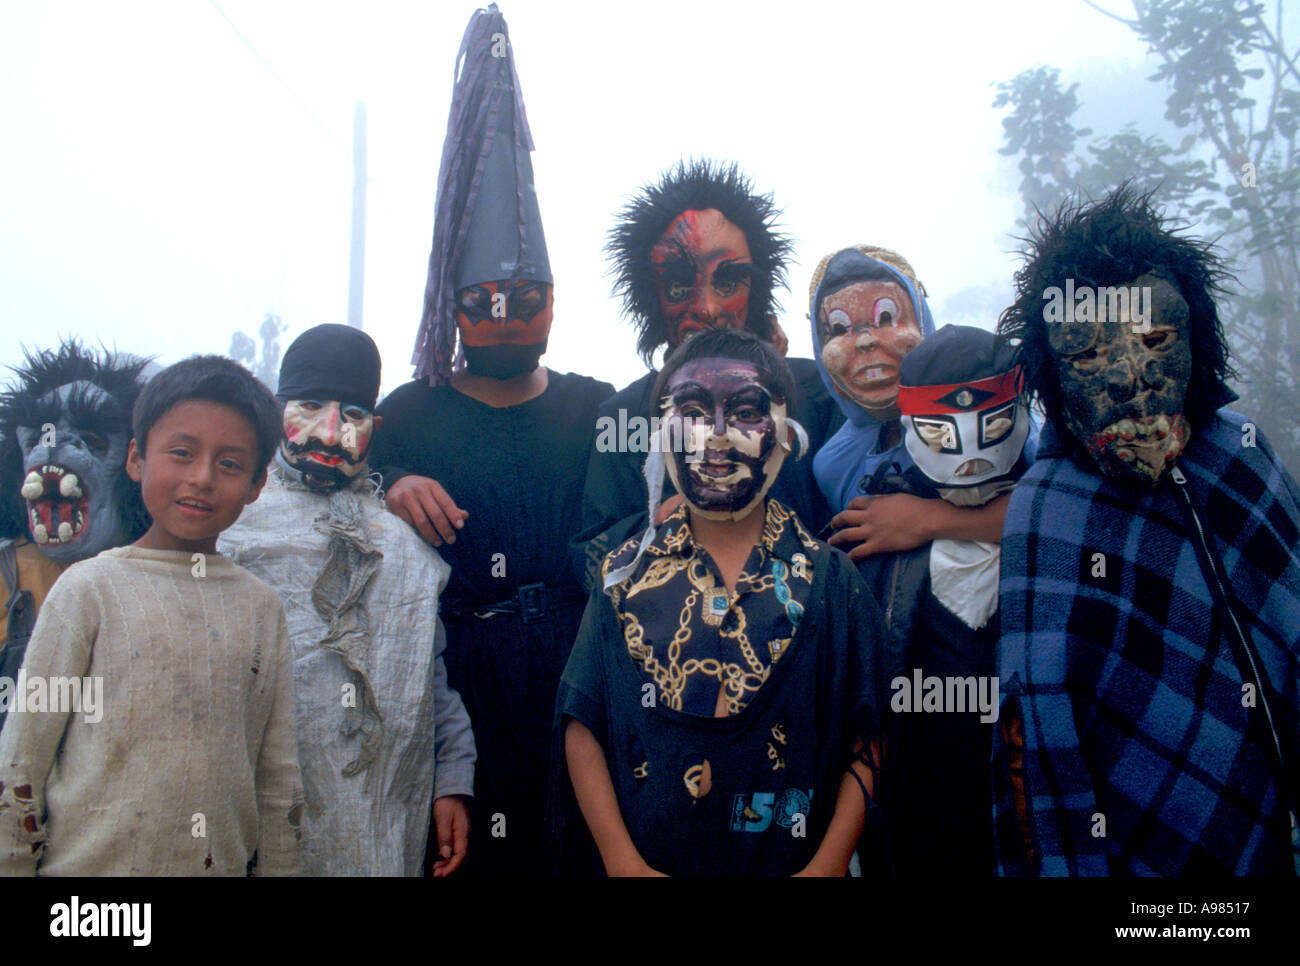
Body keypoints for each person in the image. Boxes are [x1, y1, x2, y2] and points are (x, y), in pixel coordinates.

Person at [991, 186, 1300, 876]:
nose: (1132, 377)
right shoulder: (1046, 511)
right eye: (1090, 354)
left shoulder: (1244, 461)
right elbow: (1036, 737)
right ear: (1051, 370)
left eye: (1157, 340)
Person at [369, 4, 612, 876]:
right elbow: (323, 484)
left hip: (582, 661)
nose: (507, 312)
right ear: (453, 304)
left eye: (527, 291)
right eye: (486, 297)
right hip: (462, 675)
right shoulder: (408, 410)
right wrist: (388, 480)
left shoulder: (597, 407)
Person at [555, 328, 889, 876]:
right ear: (662, 432)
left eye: (746, 410)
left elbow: (867, 727)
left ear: (784, 436)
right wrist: (622, 862)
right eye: (691, 409)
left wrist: (826, 866)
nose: (715, 436)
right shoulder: (624, 578)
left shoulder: (831, 581)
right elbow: (582, 719)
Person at [0, 355, 302, 875]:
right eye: (181, 453)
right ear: (137, 459)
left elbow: (277, 778)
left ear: (257, 484)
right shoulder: (88, 590)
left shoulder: (261, 608)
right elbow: (22, 758)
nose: (201, 478)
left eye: (229, 464)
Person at [219, 324, 475, 876]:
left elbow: (429, 677)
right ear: (277, 410)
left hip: (385, 816)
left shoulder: (402, 545)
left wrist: (453, 778)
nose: (331, 432)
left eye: (353, 415)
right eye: (311, 406)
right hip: (264, 813)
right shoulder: (230, 531)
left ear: (374, 427)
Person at [574, 160, 838, 589]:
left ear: (758, 290)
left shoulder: (818, 394)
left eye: (728, 282)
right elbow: (589, 554)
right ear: (651, 299)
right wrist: (665, 523)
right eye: (679, 287)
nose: (708, 308)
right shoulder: (624, 415)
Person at [855, 325, 1032, 875]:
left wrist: (937, 521)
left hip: (1041, 820)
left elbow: (1085, 509)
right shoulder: (873, 532)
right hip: (916, 823)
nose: (970, 454)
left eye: (994, 425)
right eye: (940, 432)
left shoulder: (1069, 515)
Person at [809, 246, 1028, 561]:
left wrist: (928, 519)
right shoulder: (834, 463)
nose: (866, 340)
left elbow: (1058, 507)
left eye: (886, 318)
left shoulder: (993, 412)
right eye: (840, 328)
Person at [0, 341, 152, 731]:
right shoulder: (5, 572)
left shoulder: (159, 574)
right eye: (38, 437)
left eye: (95, 441)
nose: (53, 445)